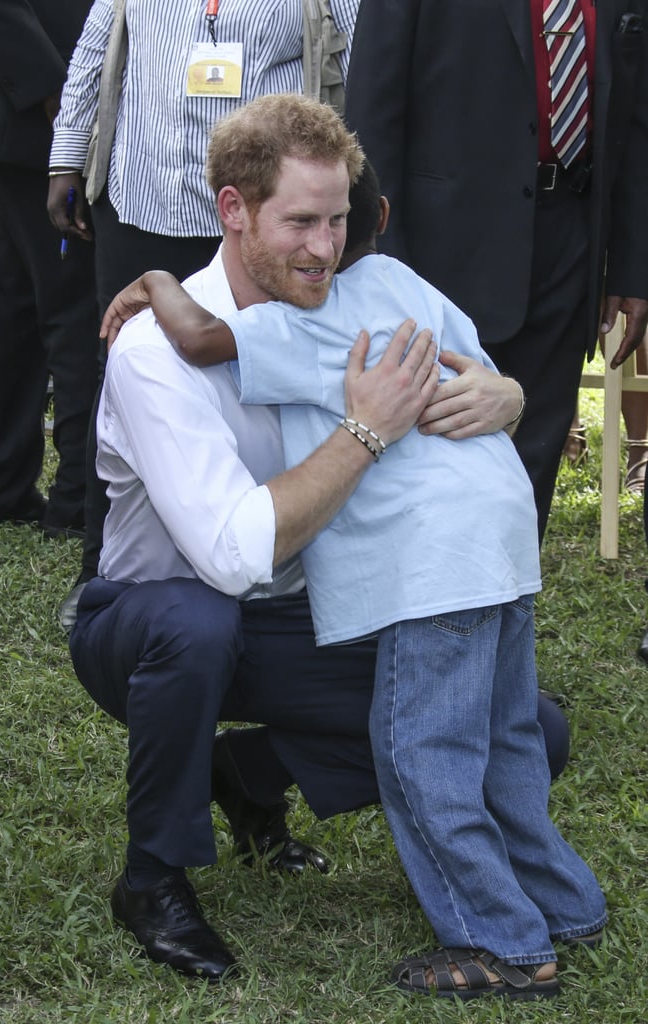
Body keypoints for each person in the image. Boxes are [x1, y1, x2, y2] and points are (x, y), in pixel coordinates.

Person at [68, 94, 568, 985]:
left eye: (337, 221)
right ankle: (153, 878)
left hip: (311, 612)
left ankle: (252, 772)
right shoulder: (158, 349)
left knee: (529, 728)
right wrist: (367, 430)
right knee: (199, 625)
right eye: (299, 221)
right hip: (152, 617)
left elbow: (465, 359)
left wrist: (509, 392)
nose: (323, 247)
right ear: (234, 210)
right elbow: (229, 554)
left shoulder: (359, 299)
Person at [46, 0, 361, 609]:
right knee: (125, 372)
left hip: (262, 218)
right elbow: (94, 48)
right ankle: (98, 566)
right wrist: (68, 152)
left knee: (258, 371)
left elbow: (363, 52)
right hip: (143, 190)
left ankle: (266, 547)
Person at [344, 0, 648, 544]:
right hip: (442, 252)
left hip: (572, 242)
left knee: (533, 457)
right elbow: (372, 108)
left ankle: (509, 616)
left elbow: (636, 113)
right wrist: (379, 262)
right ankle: (435, 622)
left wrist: (630, 264)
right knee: (434, 457)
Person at [0, 0, 99, 535]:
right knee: (72, 310)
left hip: (13, 113)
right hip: (40, 116)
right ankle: (75, 501)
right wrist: (58, 99)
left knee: (11, 305)